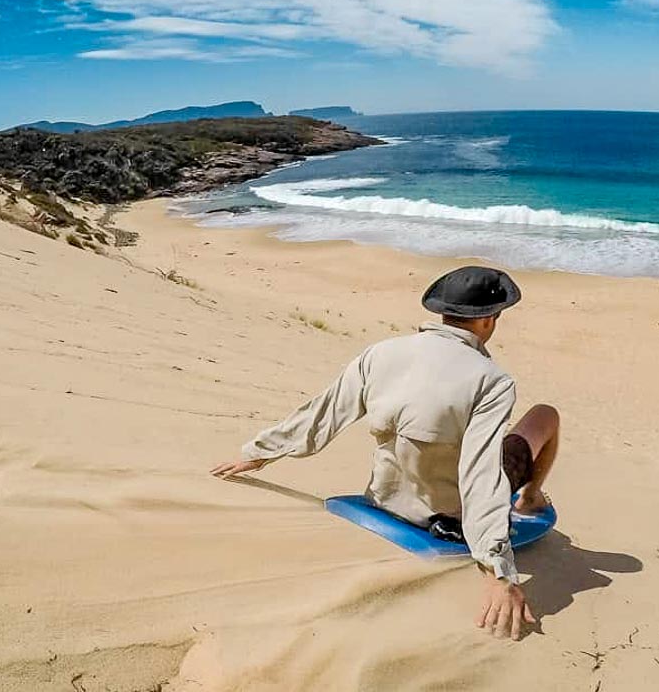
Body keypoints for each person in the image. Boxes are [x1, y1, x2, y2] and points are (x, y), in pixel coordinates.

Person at [211, 266, 561, 640]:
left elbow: (322, 415)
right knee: (545, 417)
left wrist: (258, 454)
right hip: (448, 517)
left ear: (443, 312)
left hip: (383, 502)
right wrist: (497, 572)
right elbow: (480, 475)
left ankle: (518, 498)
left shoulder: (381, 353)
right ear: (490, 320)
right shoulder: (491, 381)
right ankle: (528, 499)